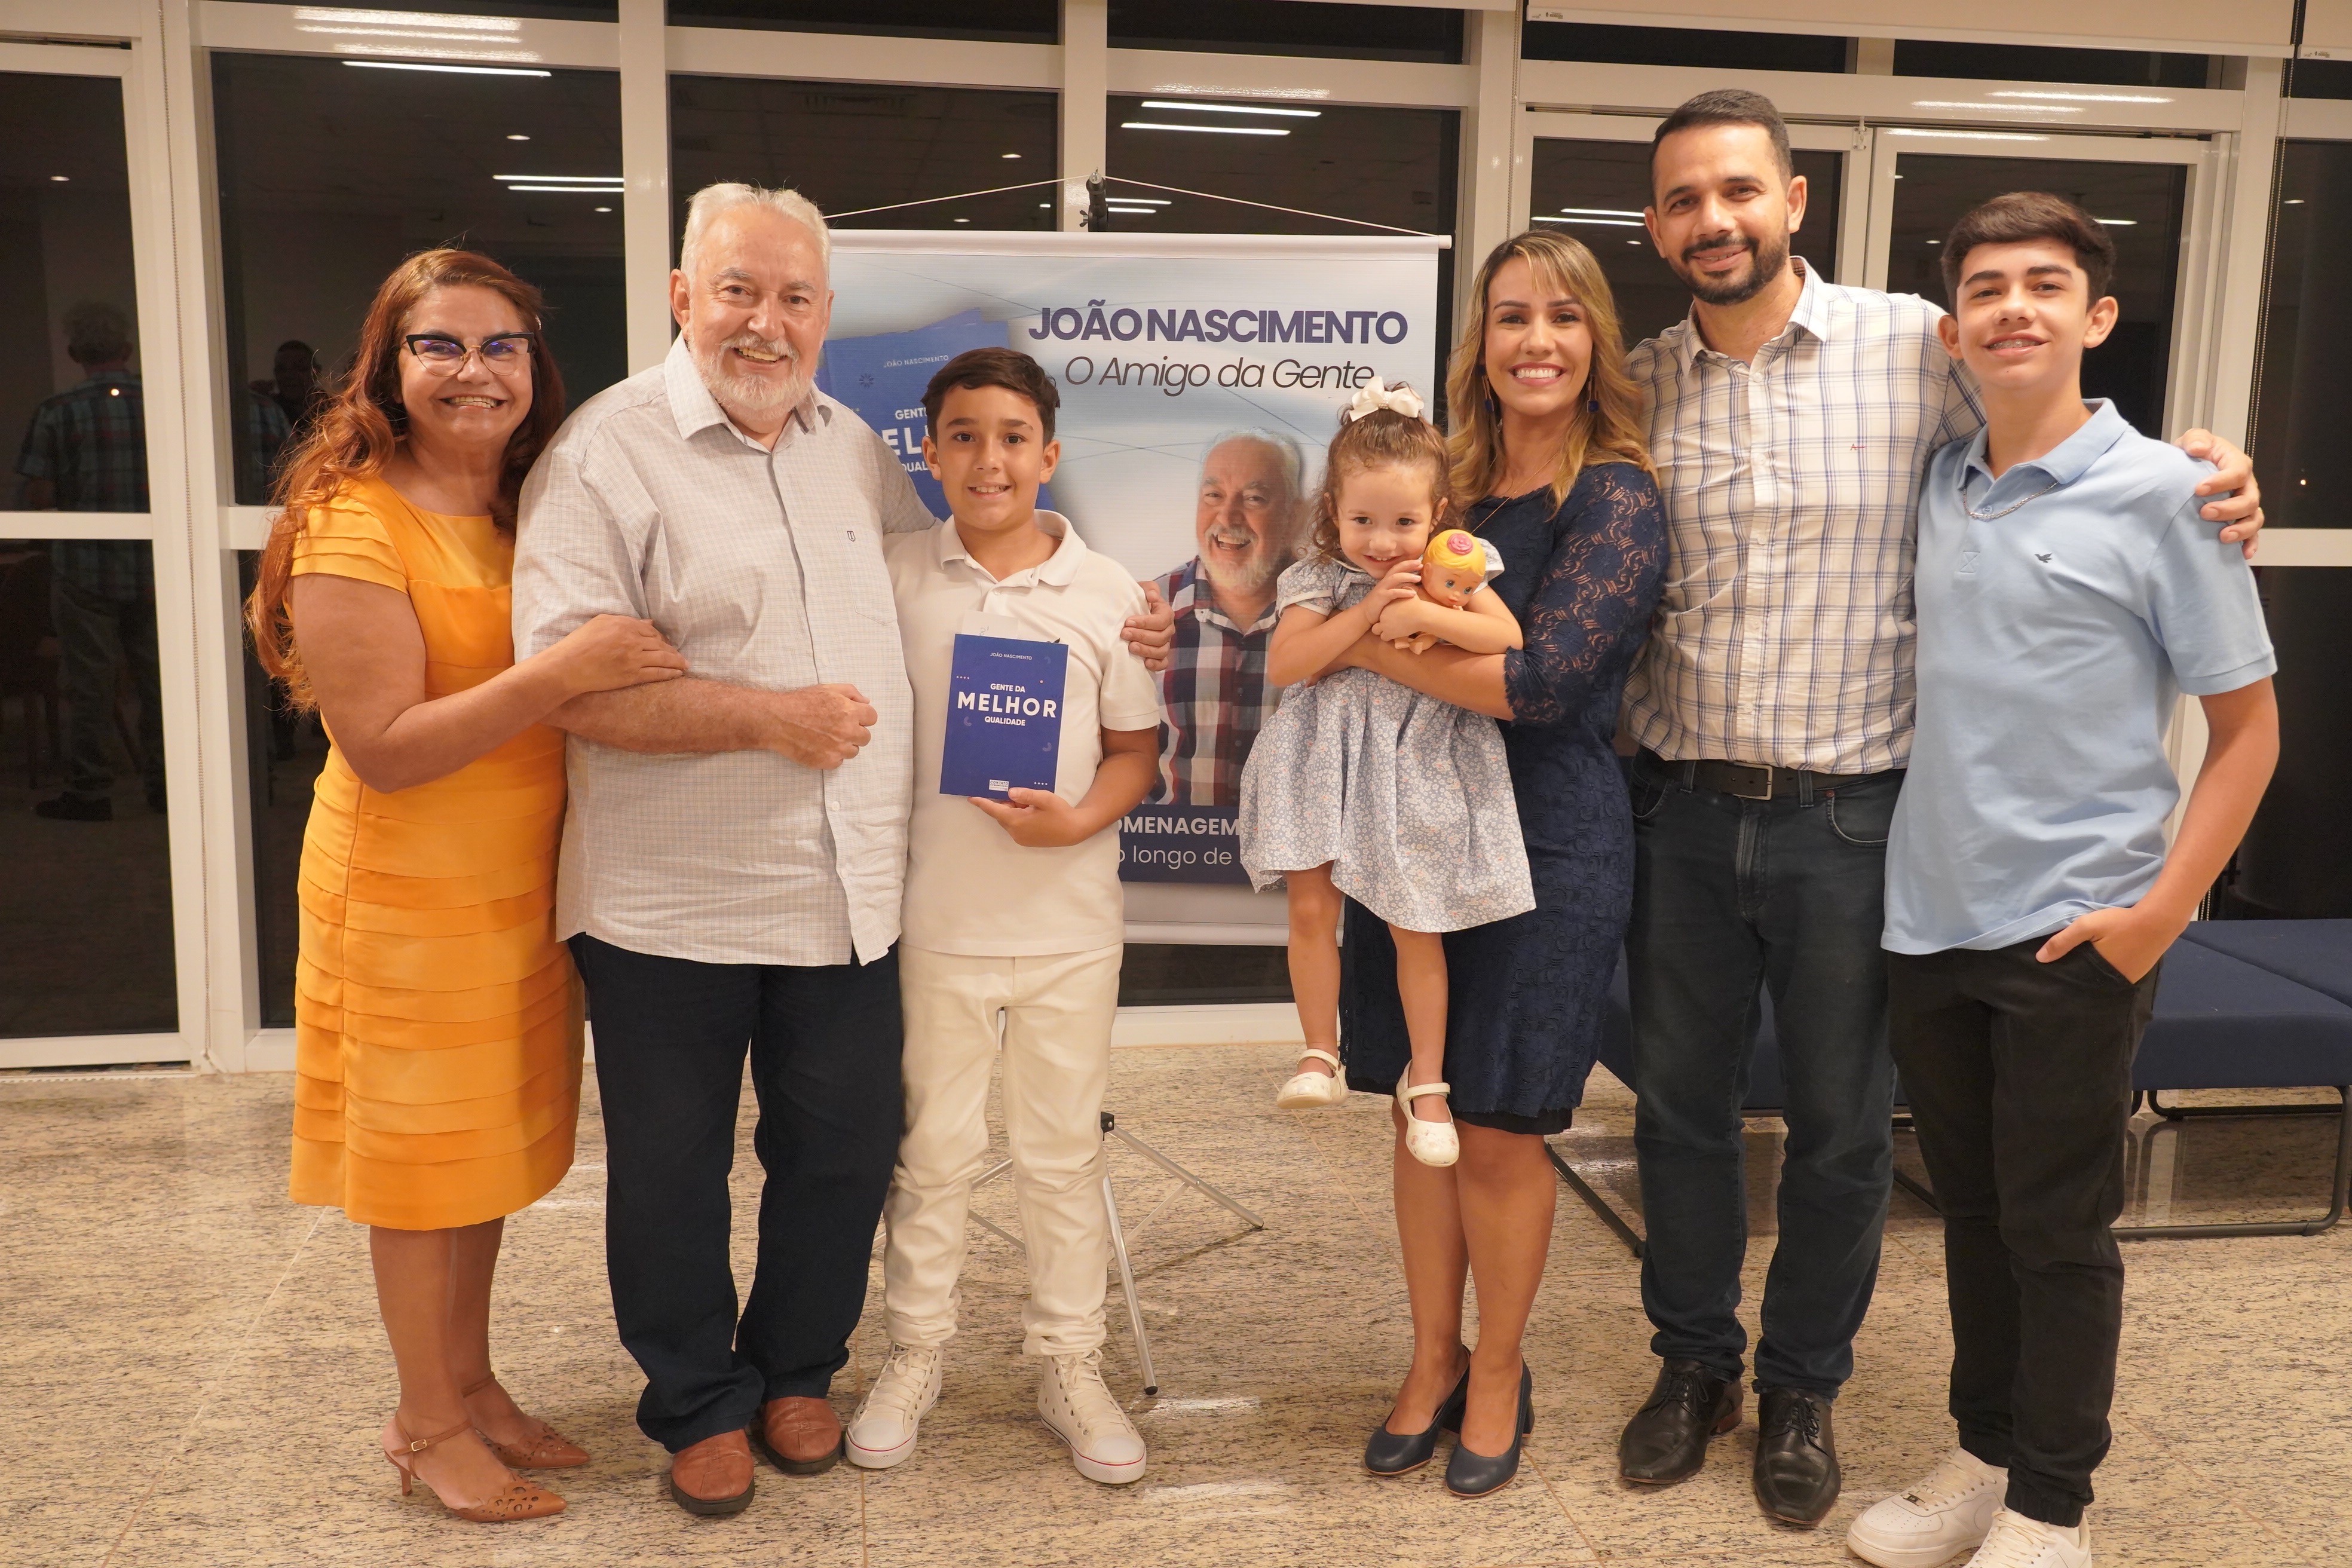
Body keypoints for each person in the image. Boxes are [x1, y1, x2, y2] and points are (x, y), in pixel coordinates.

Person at [1610, 90, 2267, 1527]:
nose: (1715, 219)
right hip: (1686, 807)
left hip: (1855, 819)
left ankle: (1804, 1386)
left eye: (1739, 189)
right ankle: (1694, 1363)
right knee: (1681, 1114)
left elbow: (2067, 423)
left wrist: (2211, 470)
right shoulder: (1636, 385)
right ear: (1656, 225)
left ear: (1793, 201)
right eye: (1683, 199)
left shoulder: (1916, 344)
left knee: (1845, 1131)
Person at [510, 182, 1172, 1518]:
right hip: (673, 900)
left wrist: (1122, 616)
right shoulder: (602, 454)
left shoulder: (849, 446)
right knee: (674, 1169)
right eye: (739, 290)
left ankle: (798, 1367)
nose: (767, 322)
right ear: (683, 296)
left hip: (853, 898)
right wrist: (769, 717)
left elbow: (952, 580)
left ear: (824, 313)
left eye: (796, 297)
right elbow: (567, 688)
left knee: (841, 1152)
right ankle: (699, 1400)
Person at [1847, 193, 2277, 1568]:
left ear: (2097, 316)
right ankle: (1984, 1456)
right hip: (1929, 920)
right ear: (1954, 329)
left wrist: (2159, 915)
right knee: (1973, 1216)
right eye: (1985, 288)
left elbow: (2248, 734)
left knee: (2058, 1227)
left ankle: (2052, 1507)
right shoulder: (1942, 479)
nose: (2012, 308)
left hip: (2077, 930)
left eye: (2043, 284)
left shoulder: (2168, 493)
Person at [245, 249, 687, 1522]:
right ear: (388, 365)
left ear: (534, 364)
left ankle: (473, 1381)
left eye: (501, 345)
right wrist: (565, 671)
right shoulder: (352, 519)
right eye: (438, 344)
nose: (473, 371)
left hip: (516, 888)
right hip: (405, 895)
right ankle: (424, 1419)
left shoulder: (527, 503)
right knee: (418, 1168)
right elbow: (385, 747)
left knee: (479, 1155)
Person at [1333, 229, 1665, 1497]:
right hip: (1412, 824)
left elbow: (1540, 684)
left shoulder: (1615, 496)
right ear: (1481, 340)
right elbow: (1327, 578)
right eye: (1513, 315)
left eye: (1564, 317)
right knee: (1423, 1111)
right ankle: (1432, 1357)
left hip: (1547, 844)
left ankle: (1501, 1371)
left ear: (1595, 342)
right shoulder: (1446, 484)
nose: (1537, 340)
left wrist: (1365, 642)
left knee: (1500, 1125)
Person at [847, 347, 1163, 1484]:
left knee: (1060, 1158)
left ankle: (1069, 1362)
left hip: (1071, 926)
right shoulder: (890, 575)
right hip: (934, 924)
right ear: (929, 453)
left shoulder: (1109, 591)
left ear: (1050, 453)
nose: (991, 459)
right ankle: (915, 1352)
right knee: (932, 1153)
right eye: (965, 436)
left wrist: (1075, 823)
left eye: (1014, 436)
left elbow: (1134, 752)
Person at [1240, 382, 1533, 1172]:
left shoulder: (1453, 569)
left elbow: (1508, 639)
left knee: (1417, 920)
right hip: (1322, 760)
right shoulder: (1317, 577)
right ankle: (1318, 1050)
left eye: (1403, 522)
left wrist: (1431, 614)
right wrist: (1368, 613)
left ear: (1437, 515)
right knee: (1311, 907)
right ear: (1333, 510)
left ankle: (1427, 1081)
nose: (1381, 541)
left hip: (1414, 762)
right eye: (1362, 520)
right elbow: (1288, 664)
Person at [14, 301, 165, 821]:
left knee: (90, 685)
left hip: (86, 568)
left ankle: (91, 790)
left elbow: (39, 495)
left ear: (75, 353)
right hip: (158, 566)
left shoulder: (57, 410)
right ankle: (166, 785)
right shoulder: (162, 406)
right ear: (127, 349)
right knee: (160, 683)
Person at [1145, 428, 1310, 808]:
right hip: (1166, 845)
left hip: (1294, 850)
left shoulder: (1333, 618)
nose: (1227, 516)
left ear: (1295, 515)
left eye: (1254, 499)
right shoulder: (1146, 609)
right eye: (1214, 496)